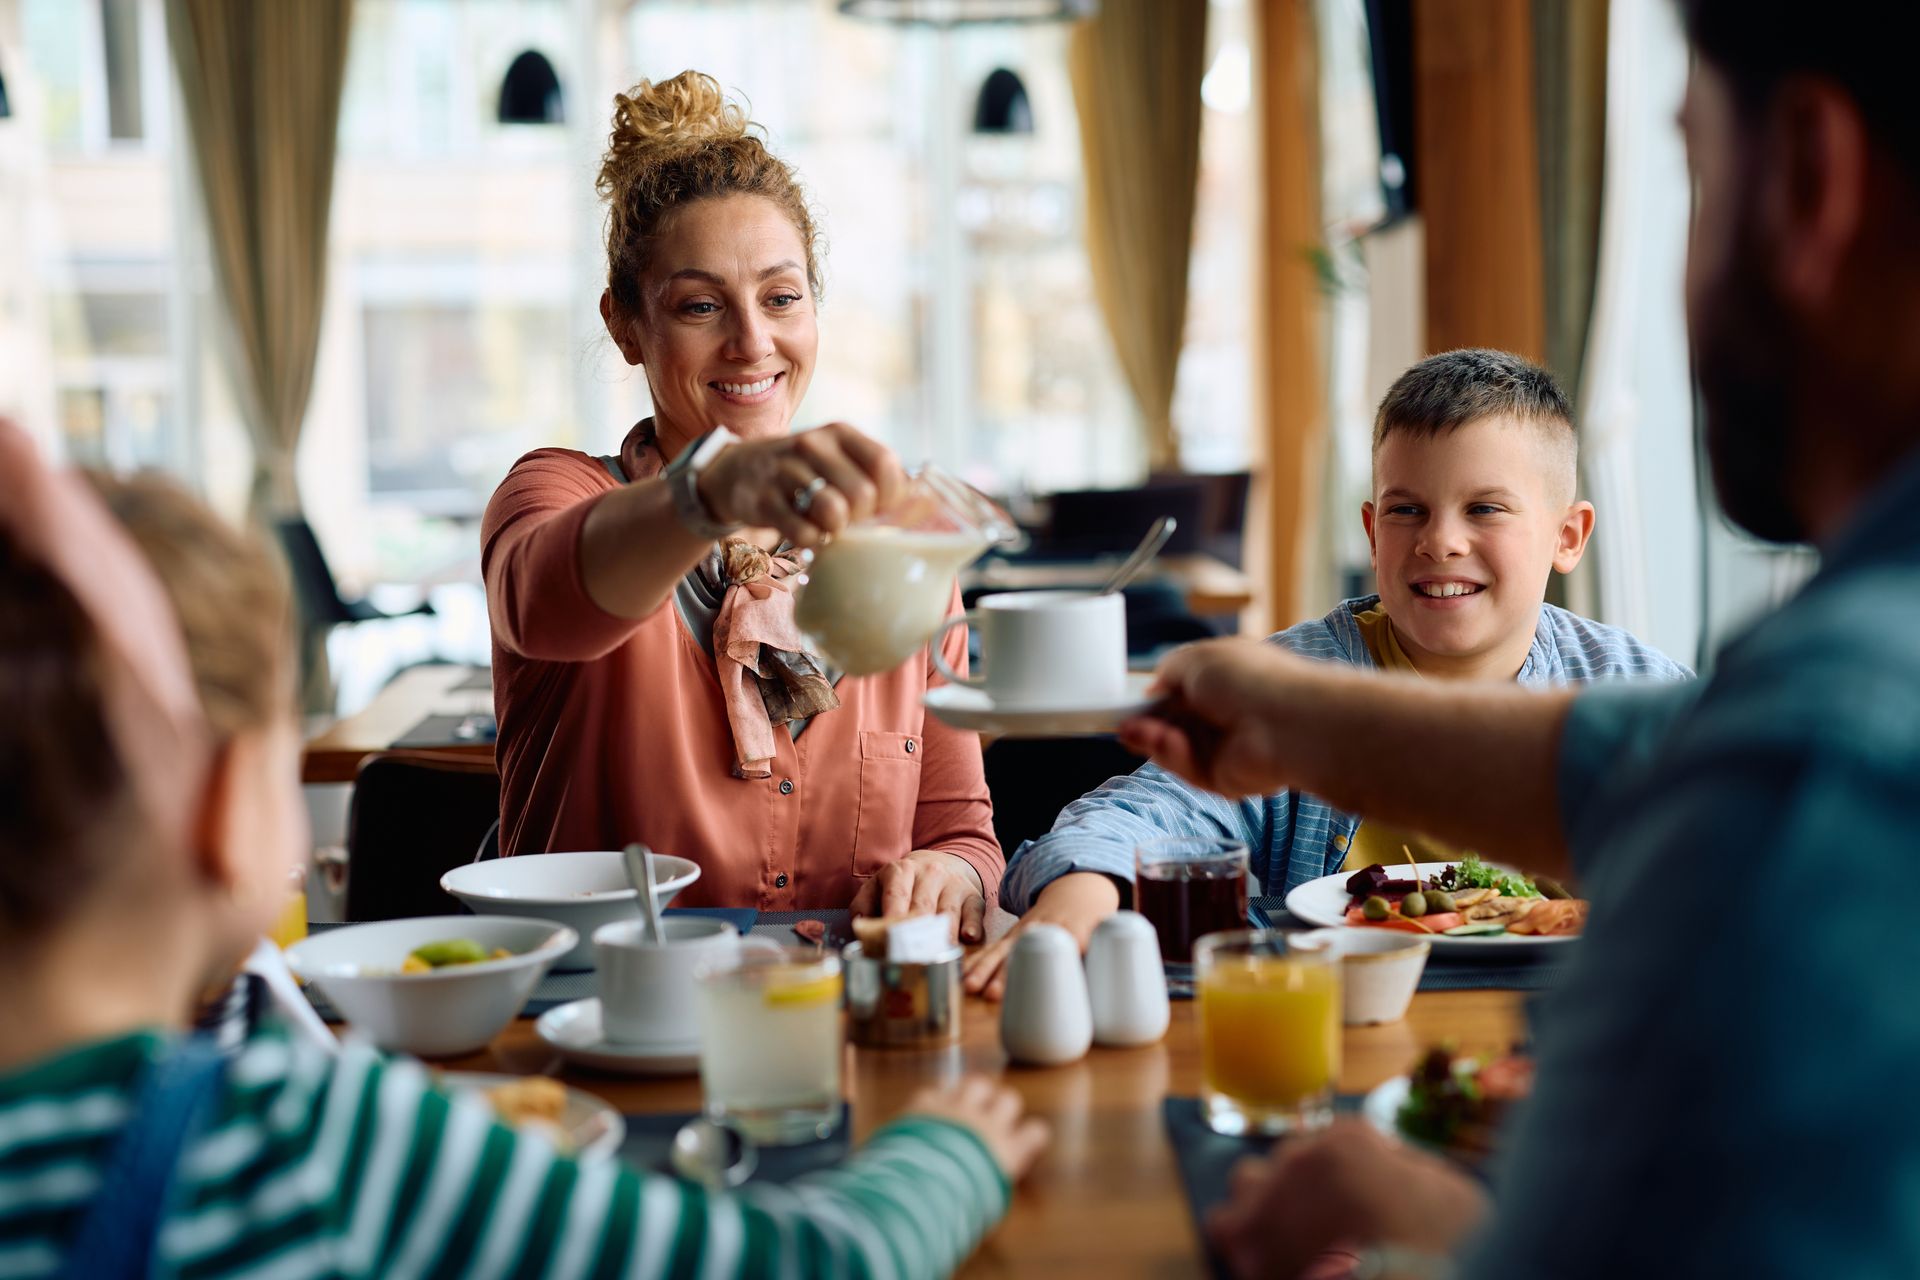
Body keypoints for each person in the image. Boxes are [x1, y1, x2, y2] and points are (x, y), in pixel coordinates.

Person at [1119, 1, 1920, 1273]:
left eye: (1692, 163)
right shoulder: (1776, 737)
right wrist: (1295, 711)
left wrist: (1418, 1208)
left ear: (1810, 177)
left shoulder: (1821, 758)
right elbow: (1656, 766)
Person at [0, 423, 1047, 1278]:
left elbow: (963, 824)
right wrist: (951, 1152)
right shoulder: (300, 1138)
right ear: (234, 811)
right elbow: (810, 1261)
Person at [969, 350, 1687, 995]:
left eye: (1486, 509)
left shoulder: (1634, 688)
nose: (1440, 541)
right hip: (1336, 1031)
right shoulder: (1293, 683)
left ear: (1568, 536)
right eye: (1409, 510)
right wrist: (1085, 890)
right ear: (1373, 534)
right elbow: (1142, 813)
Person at [482, 71, 999, 938]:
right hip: (597, 1024)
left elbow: (962, 831)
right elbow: (547, 604)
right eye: (699, 306)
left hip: (845, 1027)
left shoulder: (902, 549)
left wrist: (946, 874)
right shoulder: (555, 493)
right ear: (625, 325)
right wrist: (711, 490)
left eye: (781, 298)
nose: (752, 341)